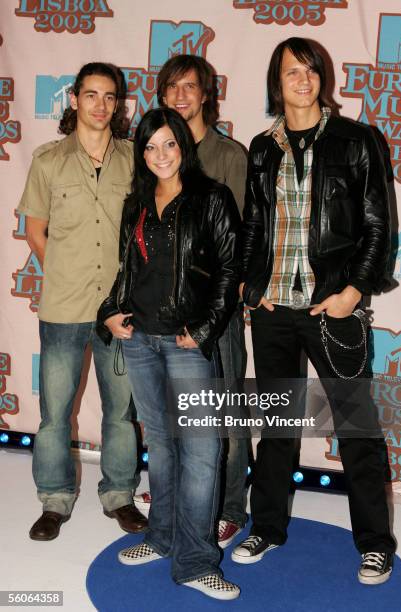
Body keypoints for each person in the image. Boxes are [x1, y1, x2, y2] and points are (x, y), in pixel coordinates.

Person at [232, 38, 396, 585]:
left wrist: (353, 291)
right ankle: (267, 527)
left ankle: (375, 544)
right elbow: (253, 226)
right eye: (290, 72)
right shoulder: (262, 147)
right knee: (276, 427)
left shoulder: (356, 140)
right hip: (275, 307)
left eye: (310, 70)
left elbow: (378, 226)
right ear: (275, 84)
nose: (302, 80)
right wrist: (250, 287)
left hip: (333, 306)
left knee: (356, 427)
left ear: (322, 78)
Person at [97, 107, 241, 600]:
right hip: (140, 341)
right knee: (160, 446)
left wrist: (203, 331)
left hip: (186, 344)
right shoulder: (136, 200)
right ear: (142, 153)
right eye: (150, 147)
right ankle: (160, 538)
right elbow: (127, 269)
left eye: (169, 144)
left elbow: (228, 272)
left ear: (184, 145)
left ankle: (197, 561)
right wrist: (110, 311)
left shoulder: (211, 198)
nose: (160, 155)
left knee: (201, 452)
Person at [18, 62, 147, 541]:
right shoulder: (48, 160)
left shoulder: (135, 159)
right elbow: (35, 231)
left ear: (118, 105)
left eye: (109, 97)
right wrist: (68, 271)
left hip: (120, 310)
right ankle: (54, 500)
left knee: (120, 412)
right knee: (55, 413)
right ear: (73, 100)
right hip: (64, 309)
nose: (100, 105)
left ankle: (119, 496)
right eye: (90, 95)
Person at [134, 54, 249, 550]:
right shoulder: (159, 152)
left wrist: (218, 311)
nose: (180, 95)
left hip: (214, 315)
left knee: (222, 413)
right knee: (172, 424)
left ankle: (228, 507)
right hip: (166, 320)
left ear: (207, 94)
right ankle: (181, 503)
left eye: (190, 86)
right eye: (171, 87)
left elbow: (236, 246)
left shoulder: (228, 155)